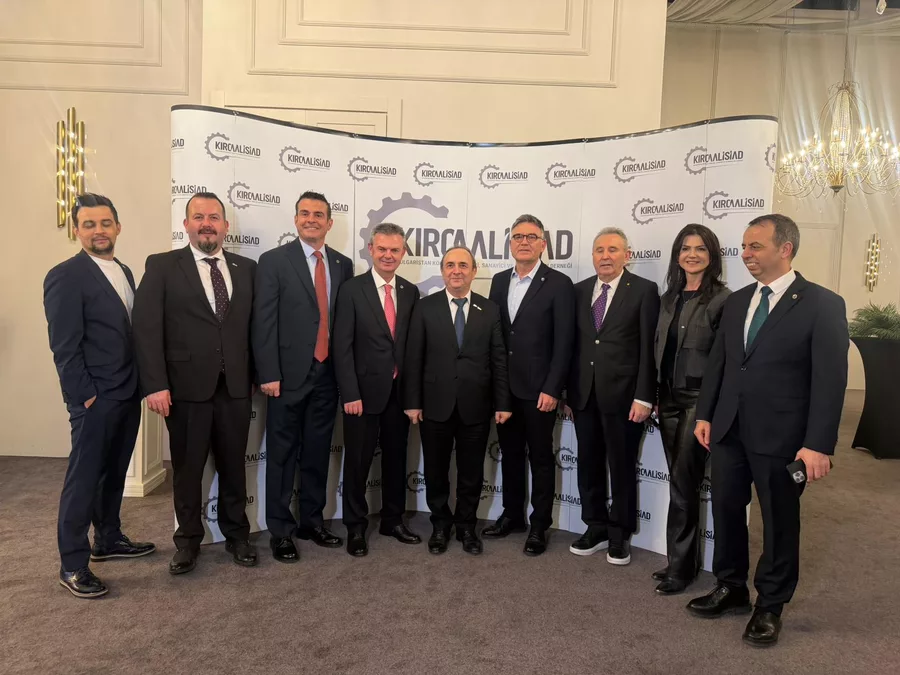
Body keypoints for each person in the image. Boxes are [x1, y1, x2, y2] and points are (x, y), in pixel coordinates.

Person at [687, 214, 848, 647]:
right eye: (744, 246)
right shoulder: (738, 301)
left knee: (779, 521)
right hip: (729, 430)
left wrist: (817, 444)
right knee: (726, 509)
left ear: (785, 249)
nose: (746, 254)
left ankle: (770, 605)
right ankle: (731, 586)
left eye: (755, 246)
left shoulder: (822, 304)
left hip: (783, 438)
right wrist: (705, 415)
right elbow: (721, 364)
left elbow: (830, 381)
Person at [133, 192, 258, 574]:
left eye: (214, 217)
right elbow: (146, 329)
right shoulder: (162, 266)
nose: (207, 224)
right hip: (185, 390)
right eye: (199, 217)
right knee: (187, 470)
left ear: (225, 226)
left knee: (234, 466)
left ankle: (237, 535)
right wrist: (155, 384)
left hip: (235, 388)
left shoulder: (247, 268)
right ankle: (187, 541)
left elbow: (256, 328)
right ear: (186, 224)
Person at [44, 193, 155, 598]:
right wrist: (85, 396)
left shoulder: (123, 270)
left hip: (128, 391)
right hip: (95, 398)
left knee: (114, 471)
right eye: (89, 224)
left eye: (105, 223)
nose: (99, 231)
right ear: (77, 230)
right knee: (84, 479)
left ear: (117, 227)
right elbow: (64, 346)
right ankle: (73, 564)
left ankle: (108, 538)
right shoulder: (66, 275)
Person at [253, 191, 354, 563]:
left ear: (329, 223)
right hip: (286, 377)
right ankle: (280, 531)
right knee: (281, 456)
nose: (312, 219)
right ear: (296, 220)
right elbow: (264, 320)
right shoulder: (273, 261)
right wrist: (269, 372)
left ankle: (312, 522)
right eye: (305, 213)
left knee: (317, 452)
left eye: (319, 214)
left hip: (327, 376)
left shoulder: (342, 264)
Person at [403, 247, 512, 555]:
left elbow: (498, 359)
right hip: (434, 404)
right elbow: (414, 358)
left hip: (476, 405)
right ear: (442, 271)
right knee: (436, 471)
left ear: (474, 271)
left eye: (463, 265)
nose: (456, 270)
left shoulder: (489, 309)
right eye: (450, 265)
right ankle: (440, 525)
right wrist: (413, 401)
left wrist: (503, 403)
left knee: (471, 472)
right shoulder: (425, 307)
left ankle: (466, 527)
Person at [482, 215, 574, 556]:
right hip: (505, 389)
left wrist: (553, 388)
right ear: (510, 243)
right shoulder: (498, 281)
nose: (524, 241)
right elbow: (496, 337)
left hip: (539, 392)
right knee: (509, 455)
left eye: (531, 237)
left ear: (543, 244)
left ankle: (539, 525)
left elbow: (564, 342)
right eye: (518, 236)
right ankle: (512, 515)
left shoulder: (559, 283)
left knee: (541, 458)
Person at [567, 227, 660, 565]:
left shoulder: (644, 290)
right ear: (592, 256)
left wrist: (644, 396)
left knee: (621, 466)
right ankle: (595, 526)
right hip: (583, 396)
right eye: (599, 250)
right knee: (588, 465)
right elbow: (573, 345)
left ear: (627, 255)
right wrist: (568, 393)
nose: (605, 256)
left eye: (612, 250)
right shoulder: (579, 291)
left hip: (625, 398)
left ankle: (620, 534)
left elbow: (649, 348)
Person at [333, 223, 421, 557]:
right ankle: (355, 527)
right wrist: (350, 393)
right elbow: (342, 346)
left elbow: (411, 349)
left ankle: (392, 520)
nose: (388, 255)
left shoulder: (410, 291)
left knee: (396, 460)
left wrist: (412, 397)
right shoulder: (351, 290)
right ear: (370, 249)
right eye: (382, 249)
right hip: (362, 395)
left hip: (398, 394)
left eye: (395, 250)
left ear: (403, 253)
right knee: (357, 463)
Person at [652, 224, 730, 594]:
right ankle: (684, 561)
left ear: (711, 256)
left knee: (684, 484)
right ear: (677, 255)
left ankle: (680, 569)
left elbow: (724, 362)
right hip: (666, 399)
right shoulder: (669, 298)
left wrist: (708, 412)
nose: (692, 255)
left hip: (698, 402)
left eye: (700, 249)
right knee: (679, 481)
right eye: (685, 248)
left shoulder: (723, 300)